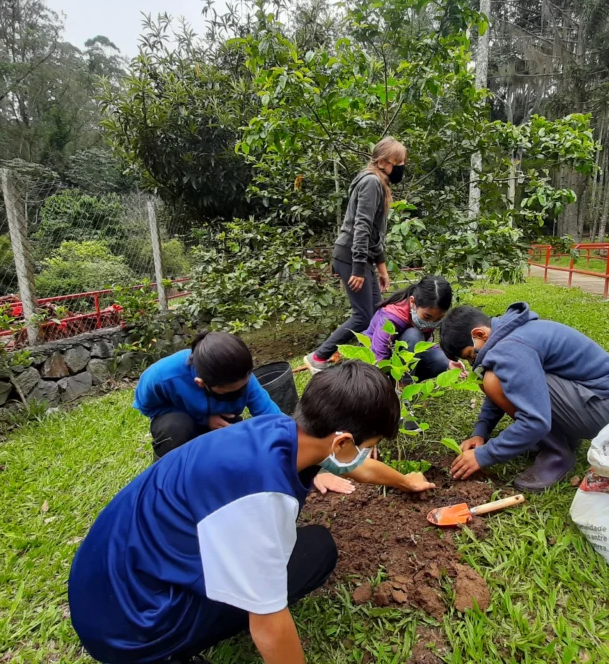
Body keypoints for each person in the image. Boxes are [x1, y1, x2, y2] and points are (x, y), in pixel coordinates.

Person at [68, 362, 432, 664]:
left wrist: (405, 481)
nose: (366, 457)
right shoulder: (259, 498)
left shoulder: (279, 431)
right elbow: (267, 620)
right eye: (368, 448)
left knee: (312, 546)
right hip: (130, 624)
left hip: (111, 581)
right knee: (305, 560)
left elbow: (351, 467)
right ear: (342, 442)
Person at [439, 302, 609, 493]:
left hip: (603, 409)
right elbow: (509, 386)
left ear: (480, 334)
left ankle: (557, 455)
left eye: (471, 356)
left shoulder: (511, 348)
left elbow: (534, 420)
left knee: (491, 379)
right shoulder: (510, 333)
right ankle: (564, 438)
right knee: (492, 378)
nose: (474, 363)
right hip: (597, 400)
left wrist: (485, 455)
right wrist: (481, 432)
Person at [304, 137, 407, 374]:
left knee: (375, 314)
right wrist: (360, 269)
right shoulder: (371, 182)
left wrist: (381, 268)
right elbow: (361, 227)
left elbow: (373, 233)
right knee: (362, 317)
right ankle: (319, 357)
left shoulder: (378, 182)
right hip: (351, 257)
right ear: (382, 162)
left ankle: (370, 360)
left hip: (358, 257)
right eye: (397, 162)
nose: (401, 167)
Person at [134, 331, 280, 459]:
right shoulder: (162, 376)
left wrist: (289, 434)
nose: (242, 391)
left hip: (222, 424)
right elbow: (146, 407)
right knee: (176, 427)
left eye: (244, 387)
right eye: (232, 392)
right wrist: (203, 419)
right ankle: (167, 469)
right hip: (180, 427)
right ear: (201, 383)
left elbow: (269, 414)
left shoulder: (239, 372)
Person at [364, 274, 462, 380]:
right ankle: (402, 385)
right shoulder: (392, 317)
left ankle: (401, 381)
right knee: (414, 335)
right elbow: (378, 355)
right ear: (412, 302)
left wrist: (449, 362)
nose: (431, 323)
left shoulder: (428, 316)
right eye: (427, 316)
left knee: (441, 360)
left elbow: (423, 344)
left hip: (402, 359)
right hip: (375, 359)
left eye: (438, 319)